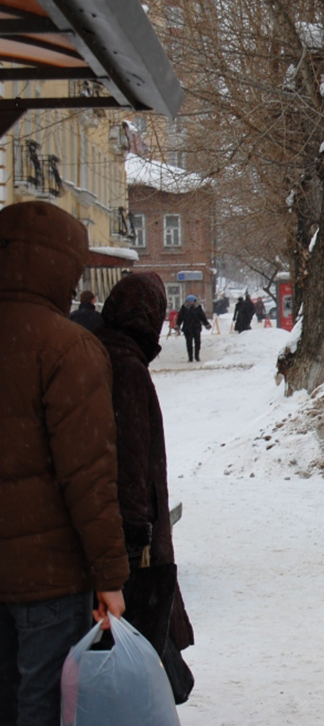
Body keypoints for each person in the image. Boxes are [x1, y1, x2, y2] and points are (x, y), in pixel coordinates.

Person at [0, 201, 128, 726]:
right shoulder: (66, 348)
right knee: (44, 705)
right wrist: (111, 576)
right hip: (47, 579)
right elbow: (90, 478)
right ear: (56, 267)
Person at [95, 273, 195, 701]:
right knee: (135, 666)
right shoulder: (128, 369)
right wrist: (135, 549)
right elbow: (131, 464)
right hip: (133, 550)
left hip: (114, 542)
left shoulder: (103, 355)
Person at [176, 294, 211, 361]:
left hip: (196, 327)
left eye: (192, 301)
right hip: (187, 328)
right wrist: (178, 325)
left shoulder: (198, 307)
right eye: (189, 301)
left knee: (197, 342)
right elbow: (180, 317)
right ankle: (190, 357)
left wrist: (206, 324)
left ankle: (197, 356)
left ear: (194, 301)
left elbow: (202, 317)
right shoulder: (184, 308)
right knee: (189, 342)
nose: (191, 303)